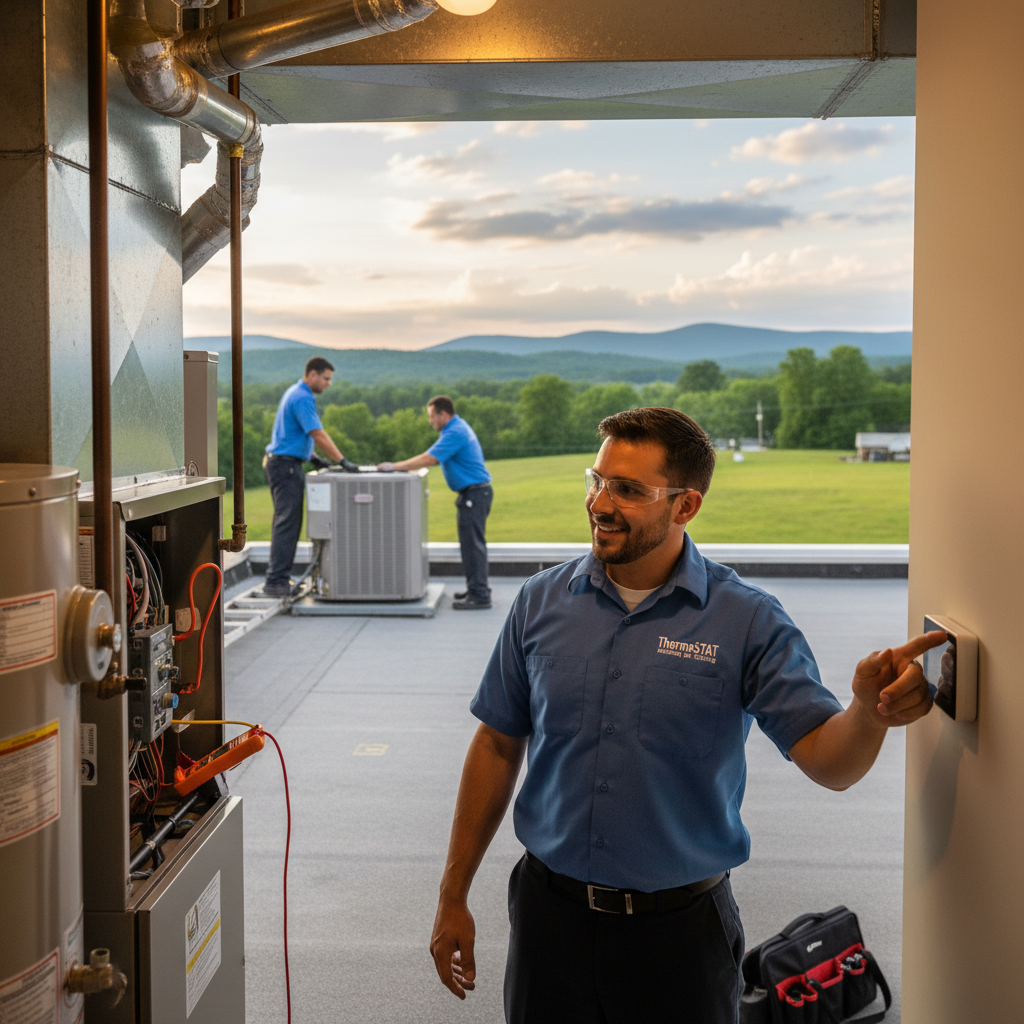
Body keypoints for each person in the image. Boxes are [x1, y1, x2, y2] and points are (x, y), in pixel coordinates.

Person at [428, 406, 946, 1023]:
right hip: (549, 922)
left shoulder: (747, 620)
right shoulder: (540, 602)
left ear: (685, 506)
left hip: (677, 938)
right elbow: (496, 742)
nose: (600, 502)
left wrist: (867, 713)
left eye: (627, 489)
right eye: (596, 481)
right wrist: (452, 893)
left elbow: (831, 764)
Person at [378, 396, 493, 610]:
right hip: (474, 494)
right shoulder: (457, 427)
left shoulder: (455, 432)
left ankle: (479, 596)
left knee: (472, 546)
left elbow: (428, 459)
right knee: (470, 545)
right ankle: (477, 589)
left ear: (443, 414)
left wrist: (394, 467)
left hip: (475, 494)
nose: (430, 421)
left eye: (432, 417)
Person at [262, 356, 347, 598]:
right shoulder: (303, 397)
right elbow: (317, 433)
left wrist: (313, 458)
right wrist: (341, 460)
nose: (329, 384)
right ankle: (275, 581)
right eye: (326, 378)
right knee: (287, 524)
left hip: (284, 464)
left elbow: (294, 436)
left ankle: (279, 578)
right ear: (312, 375)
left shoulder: (295, 392)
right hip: (285, 467)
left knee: (286, 522)